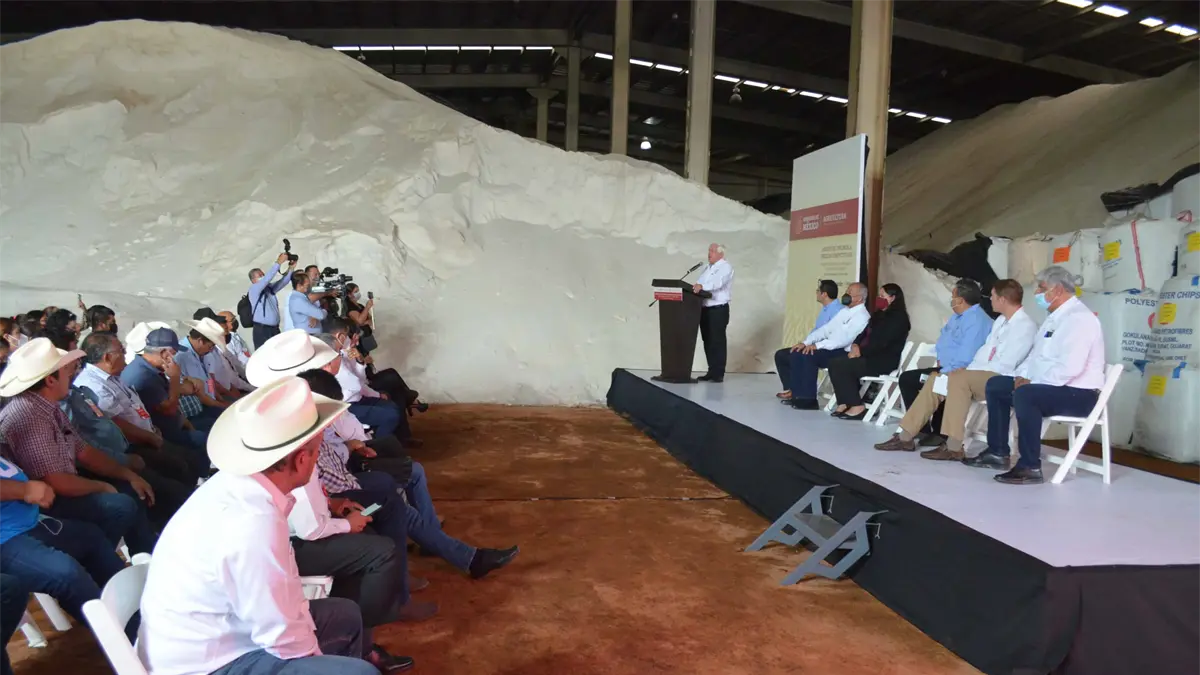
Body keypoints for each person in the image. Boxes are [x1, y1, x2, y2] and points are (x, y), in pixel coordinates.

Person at [137, 377, 413, 675]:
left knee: (345, 615)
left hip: (219, 635)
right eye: (317, 451)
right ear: (302, 460)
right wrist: (319, 660)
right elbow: (283, 639)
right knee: (360, 672)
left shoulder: (242, 487)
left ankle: (356, 657)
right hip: (209, 664)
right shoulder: (254, 522)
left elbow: (281, 601)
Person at [0, 338, 157, 555]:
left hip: (61, 484)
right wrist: (103, 487)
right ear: (50, 380)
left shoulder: (47, 406)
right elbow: (56, 482)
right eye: (65, 370)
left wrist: (128, 475)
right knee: (120, 506)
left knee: (131, 490)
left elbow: (84, 451)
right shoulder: (30, 417)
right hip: (47, 499)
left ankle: (142, 553)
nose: (71, 374)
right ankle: (98, 556)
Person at [963, 266, 1105, 484]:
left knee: (1026, 395)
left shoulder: (1079, 319)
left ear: (1057, 290)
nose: (1037, 293)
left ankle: (1030, 466)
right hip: (1051, 386)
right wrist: (1020, 377)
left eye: (1042, 288)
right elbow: (1034, 357)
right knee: (997, 385)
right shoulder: (1053, 318)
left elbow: (1070, 367)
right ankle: (997, 452)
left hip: (1079, 394)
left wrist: (1031, 382)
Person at [917, 280, 1038, 461]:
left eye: (993, 296)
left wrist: (968, 373)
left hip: (1001, 377)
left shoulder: (1025, 325)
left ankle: (953, 446)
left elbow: (1006, 364)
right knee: (937, 378)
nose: (990, 299)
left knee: (959, 379)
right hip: (982, 373)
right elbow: (985, 351)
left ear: (1003, 299)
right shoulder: (1001, 321)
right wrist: (969, 369)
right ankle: (905, 435)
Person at [0, 458, 126, 628]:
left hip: (32, 521)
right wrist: (24, 489)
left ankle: (132, 609)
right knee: (66, 574)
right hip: (5, 540)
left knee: (92, 538)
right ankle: (118, 635)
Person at [874, 279, 992, 448]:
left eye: (953, 296)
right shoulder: (957, 317)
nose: (951, 300)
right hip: (946, 365)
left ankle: (934, 433)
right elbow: (945, 338)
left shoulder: (976, 320)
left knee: (931, 380)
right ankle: (921, 430)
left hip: (960, 370)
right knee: (908, 378)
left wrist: (946, 369)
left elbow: (967, 355)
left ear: (961, 300)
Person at [75, 332, 200, 485]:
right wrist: (149, 436)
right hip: (134, 445)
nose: (125, 354)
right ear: (107, 357)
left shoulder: (112, 376)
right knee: (181, 469)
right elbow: (117, 423)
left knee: (190, 460)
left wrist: (151, 430)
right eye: (121, 350)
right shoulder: (94, 385)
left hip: (149, 436)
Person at [825, 284, 912, 420]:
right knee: (834, 362)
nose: (879, 298)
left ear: (893, 298)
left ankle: (857, 406)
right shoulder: (878, 315)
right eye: (879, 295)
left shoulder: (899, 319)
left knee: (843, 365)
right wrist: (855, 345)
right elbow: (863, 333)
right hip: (867, 356)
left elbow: (882, 342)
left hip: (882, 360)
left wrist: (860, 352)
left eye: (882, 296)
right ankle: (844, 402)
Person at [780, 283, 872, 410]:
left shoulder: (862, 316)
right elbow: (826, 329)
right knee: (797, 352)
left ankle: (808, 400)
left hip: (842, 351)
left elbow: (844, 340)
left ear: (859, 299)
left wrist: (817, 346)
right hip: (830, 347)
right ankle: (797, 395)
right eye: (847, 291)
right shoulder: (845, 311)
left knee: (808, 355)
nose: (846, 295)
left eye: (850, 293)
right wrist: (806, 342)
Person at [774, 279, 842, 399]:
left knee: (799, 355)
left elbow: (833, 335)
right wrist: (805, 343)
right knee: (781, 355)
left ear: (824, 294)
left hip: (828, 348)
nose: (816, 293)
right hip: (815, 345)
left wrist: (812, 345)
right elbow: (817, 331)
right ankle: (792, 390)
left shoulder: (838, 310)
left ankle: (803, 395)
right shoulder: (826, 309)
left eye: (818, 291)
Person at [691, 243, 734, 383]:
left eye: (713, 251)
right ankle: (711, 371)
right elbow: (699, 284)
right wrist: (695, 287)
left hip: (718, 309)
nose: (709, 253)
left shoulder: (725, 267)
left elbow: (718, 283)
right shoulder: (707, 268)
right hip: (704, 309)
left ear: (721, 254)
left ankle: (718, 373)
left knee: (717, 341)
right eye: (709, 250)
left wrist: (702, 286)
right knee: (708, 340)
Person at [248, 252, 298, 348]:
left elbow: (283, 282)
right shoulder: (254, 289)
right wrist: (279, 262)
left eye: (263, 274)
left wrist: (291, 268)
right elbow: (267, 278)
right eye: (260, 275)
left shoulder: (269, 289)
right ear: (253, 280)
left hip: (274, 329)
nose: (263, 276)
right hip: (262, 330)